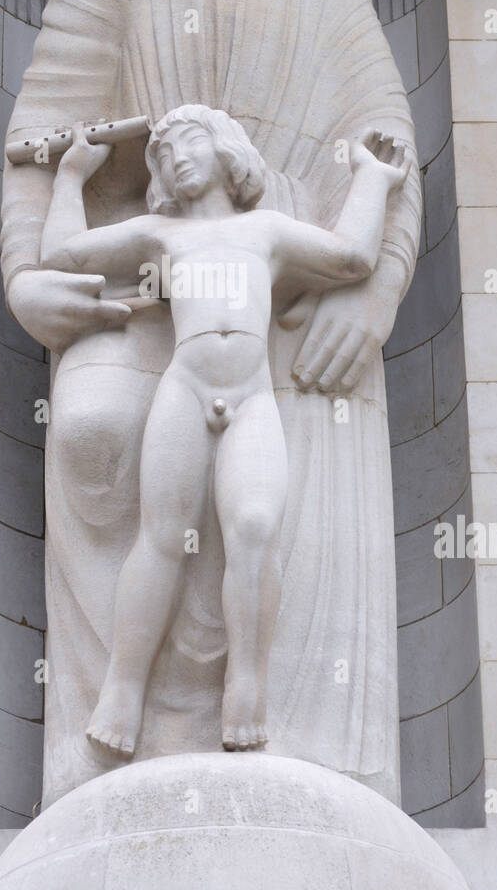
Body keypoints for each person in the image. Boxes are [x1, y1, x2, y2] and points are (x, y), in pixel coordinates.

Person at [1, 0, 422, 806]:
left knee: (283, 478)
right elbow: (45, 133)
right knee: (94, 424)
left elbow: (386, 146)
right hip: (149, 289)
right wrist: (22, 272)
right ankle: (114, 745)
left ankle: (299, 754)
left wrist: (371, 300)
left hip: (289, 304)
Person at [39, 107, 411, 754]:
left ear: (225, 150)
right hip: (185, 388)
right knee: (160, 537)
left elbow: (351, 259)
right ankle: (122, 692)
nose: (176, 157)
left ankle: (246, 685)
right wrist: (71, 177)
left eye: (191, 141)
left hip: (249, 394)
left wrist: (372, 180)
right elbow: (63, 255)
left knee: (253, 526)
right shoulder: (159, 233)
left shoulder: (265, 230)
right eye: (163, 152)